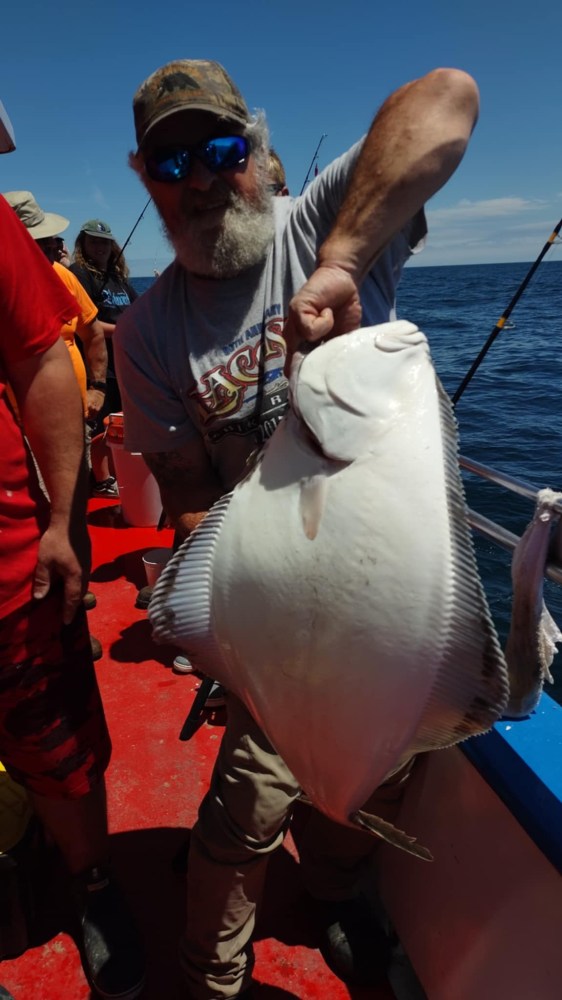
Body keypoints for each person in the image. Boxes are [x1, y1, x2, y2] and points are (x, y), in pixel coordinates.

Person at [114, 59, 479, 998]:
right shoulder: (146, 333)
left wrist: (344, 261)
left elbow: (449, 100)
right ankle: (211, 977)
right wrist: (235, 646)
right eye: (170, 165)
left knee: (374, 788)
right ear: (144, 179)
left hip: (388, 596)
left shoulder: (321, 221)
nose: (199, 179)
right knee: (239, 817)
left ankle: (337, 892)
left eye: (221, 150)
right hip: (278, 607)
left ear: (262, 151)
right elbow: (189, 493)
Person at [0, 101, 144, 1000]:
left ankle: (92, 883)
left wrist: (63, 522)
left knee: (59, 746)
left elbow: (45, 359)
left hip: (11, 562)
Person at [70, 219, 138, 429]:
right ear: (83, 244)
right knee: (104, 428)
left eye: (105, 243)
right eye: (94, 242)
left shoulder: (118, 278)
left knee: (126, 426)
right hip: (100, 370)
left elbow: (139, 311)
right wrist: (123, 332)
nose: (101, 248)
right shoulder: (79, 273)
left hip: (125, 366)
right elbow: (86, 323)